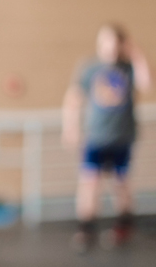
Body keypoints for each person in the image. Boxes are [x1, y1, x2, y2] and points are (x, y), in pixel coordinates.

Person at [61, 23, 151, 251]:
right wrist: (70, 127)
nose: (109, 47)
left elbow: (147, 84)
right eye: (106, 41)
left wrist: (136, 53)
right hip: (96, 137)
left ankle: (124, 226)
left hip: (122, 136)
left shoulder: (128, 67)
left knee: (122, 184)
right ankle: (86, 229)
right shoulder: (90, 67)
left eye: (115, 42)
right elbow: (73, 98)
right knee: (89, 182)